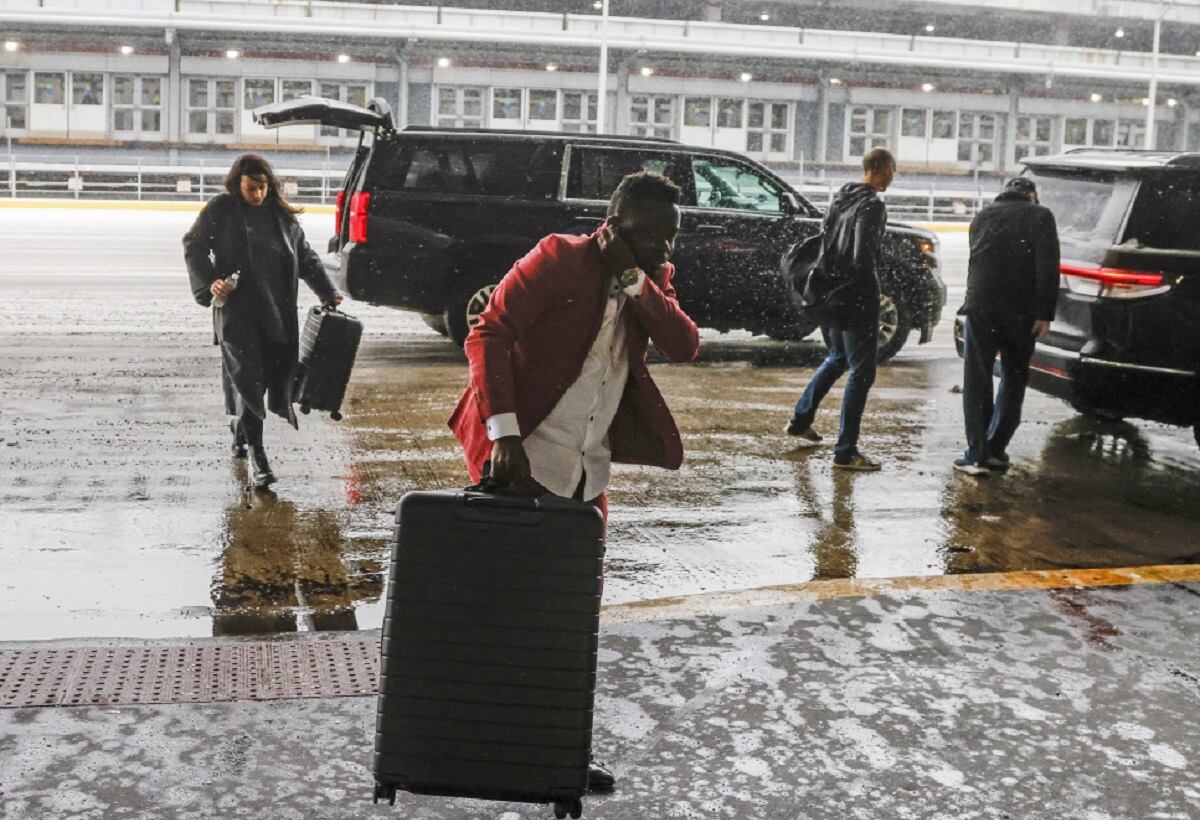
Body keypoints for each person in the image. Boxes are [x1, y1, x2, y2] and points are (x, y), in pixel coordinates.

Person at [448, 170, 700, 792]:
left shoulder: (649, 281)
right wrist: (504, 435)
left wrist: (640, 280)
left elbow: (685, 344)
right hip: (521, 456)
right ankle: (476, 739)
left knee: (571, 618)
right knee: (507, 612)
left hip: (588, 473)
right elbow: (488, 333)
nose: (666, 251)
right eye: (653, 239)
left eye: (673, 240)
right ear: (613, 228)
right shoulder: (558, 259)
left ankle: (559, 748)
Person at [183, 153, 341, 490]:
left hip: (277, 315)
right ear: (236, 184)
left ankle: (240, 431)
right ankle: (259, 457)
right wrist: (210, 280)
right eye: (251, 188)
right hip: (238, 315)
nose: (257, 194)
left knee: (269, 378)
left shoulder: (280, 217)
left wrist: (327, 293)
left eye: (263, 187)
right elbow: (194, 246)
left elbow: (306, 258)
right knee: (249, 381)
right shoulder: (221, 210)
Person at [785, 147, 894, 471]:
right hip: (855, 296)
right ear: (881, 168)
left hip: (828, 291)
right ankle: (846, 451)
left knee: (838, 358)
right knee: (862, 370)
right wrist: (873, 283)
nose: (892, 177)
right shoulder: (871, 205)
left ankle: (800, 419)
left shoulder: (841, 198)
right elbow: (863, 257)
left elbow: (828, 244)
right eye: (891, 170)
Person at [954, 176, 1060, 476]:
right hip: (1020, 311)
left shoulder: (983, 216)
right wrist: (1044, 314)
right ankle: (997, 447)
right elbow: (1047, 266)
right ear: (1032, 195)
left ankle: (976, 454)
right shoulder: (1041, 215)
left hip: (981, 307)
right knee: (1014, 377)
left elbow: (977, 263)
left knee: (977, 377)